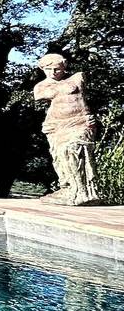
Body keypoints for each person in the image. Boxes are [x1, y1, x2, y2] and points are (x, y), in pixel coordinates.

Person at [33, 53, 100, 205]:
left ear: (64, 67)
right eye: (48, 69)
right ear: (43, 69)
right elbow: (43, 95)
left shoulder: (77, 78)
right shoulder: (40, 87)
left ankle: (84, 191)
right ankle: (68, 187)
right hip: (57, 125)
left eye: (57, 68)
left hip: (81, 121)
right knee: (59, 156)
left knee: (74, 149)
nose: (53, 72)